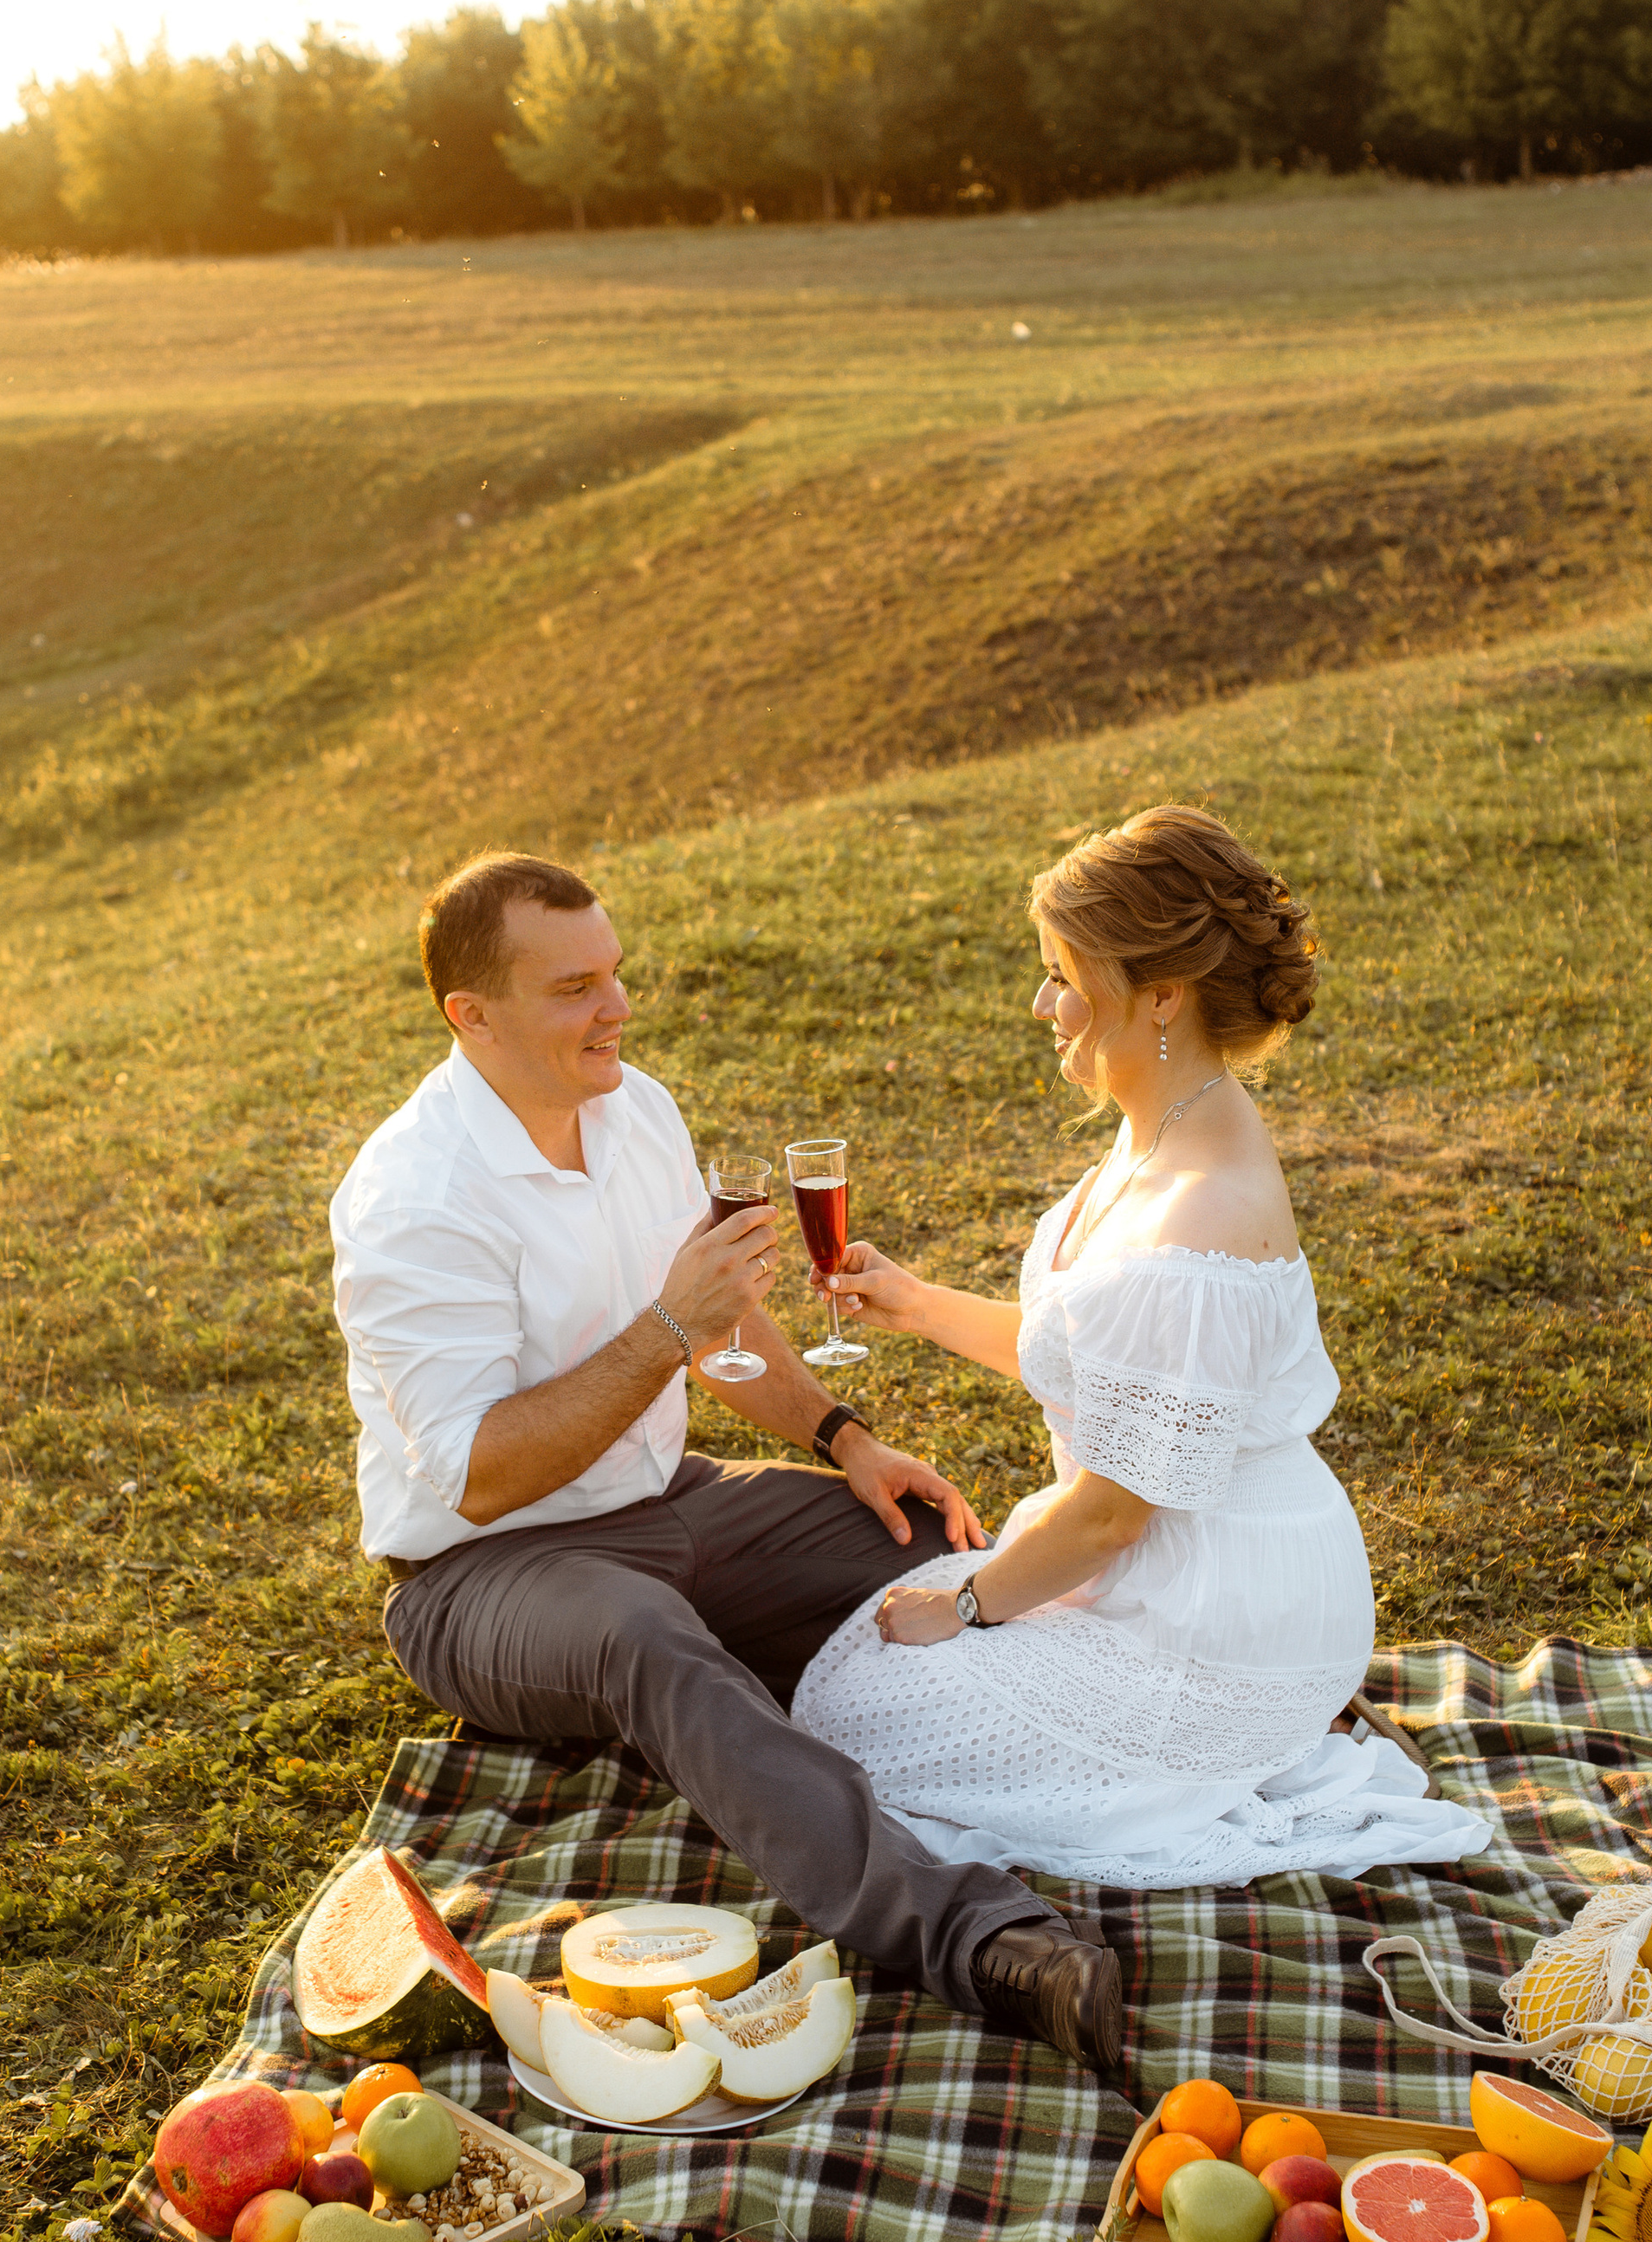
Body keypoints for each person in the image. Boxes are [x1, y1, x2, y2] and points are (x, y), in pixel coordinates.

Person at [327, 851, 1124, 2070]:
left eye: (617, 975)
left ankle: (1178, 1721)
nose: (618, 1009)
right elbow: (482, 1470)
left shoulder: (634, 1107)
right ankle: (985, 1939)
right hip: (485, 1571)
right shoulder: (412, 1199)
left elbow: (722, 1319)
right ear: (470, 1015)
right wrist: (666, 1331)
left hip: (669, 1503)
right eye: (576, 987)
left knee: (922, 1545)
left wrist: (842, 1438)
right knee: (649, 1643)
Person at [794, 806, 1492, 1891]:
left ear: (1160, 993)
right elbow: (1112, 1373)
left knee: (858, 1721)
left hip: (1217, 1615)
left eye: (1064, 975)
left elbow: (1120, 1507)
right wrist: (917, 1301)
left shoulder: (1197, 1213)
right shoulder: (1165, 1125)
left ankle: (1248, 1745)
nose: (1042, 1004)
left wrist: (967, 1609)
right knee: (851, 1686)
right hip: (1163, 1573)